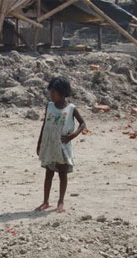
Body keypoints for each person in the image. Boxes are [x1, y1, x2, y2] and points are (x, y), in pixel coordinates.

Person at [35, 77, 86, 213]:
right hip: (49, 143)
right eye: (50, 92)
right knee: (49, 173)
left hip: (63, 145)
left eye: (54, 92)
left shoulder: (71, 109)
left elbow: (83, 124)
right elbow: (45, 124)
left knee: (62, 174)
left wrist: (72, 136)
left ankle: (61, 201)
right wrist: (39, 143)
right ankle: (45, 201)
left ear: (62, 93)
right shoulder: (49, 106)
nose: (51, 95)